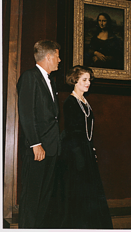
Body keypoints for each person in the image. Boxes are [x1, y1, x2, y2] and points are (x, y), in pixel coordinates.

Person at [60, 65, 113, 229]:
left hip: (86, 151)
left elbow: (87, 132)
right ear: (75, 80)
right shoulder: (70, 102)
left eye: (89, 80)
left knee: (90, 192)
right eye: (84, 79)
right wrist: (79, 157)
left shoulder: (84, 101)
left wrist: (91, 150)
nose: (88, 83)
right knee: (79, 191)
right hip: (75, 154)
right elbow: (71, 133)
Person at [17, 39, 61, 228]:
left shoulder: (49, 79)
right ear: (49, 56)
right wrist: (36, 144)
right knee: (32, 199)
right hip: (38, 149)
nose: (60, 60)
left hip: (51, 148)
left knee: (44, 198)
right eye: (58, 56)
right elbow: (27, 113)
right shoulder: (30, 76)